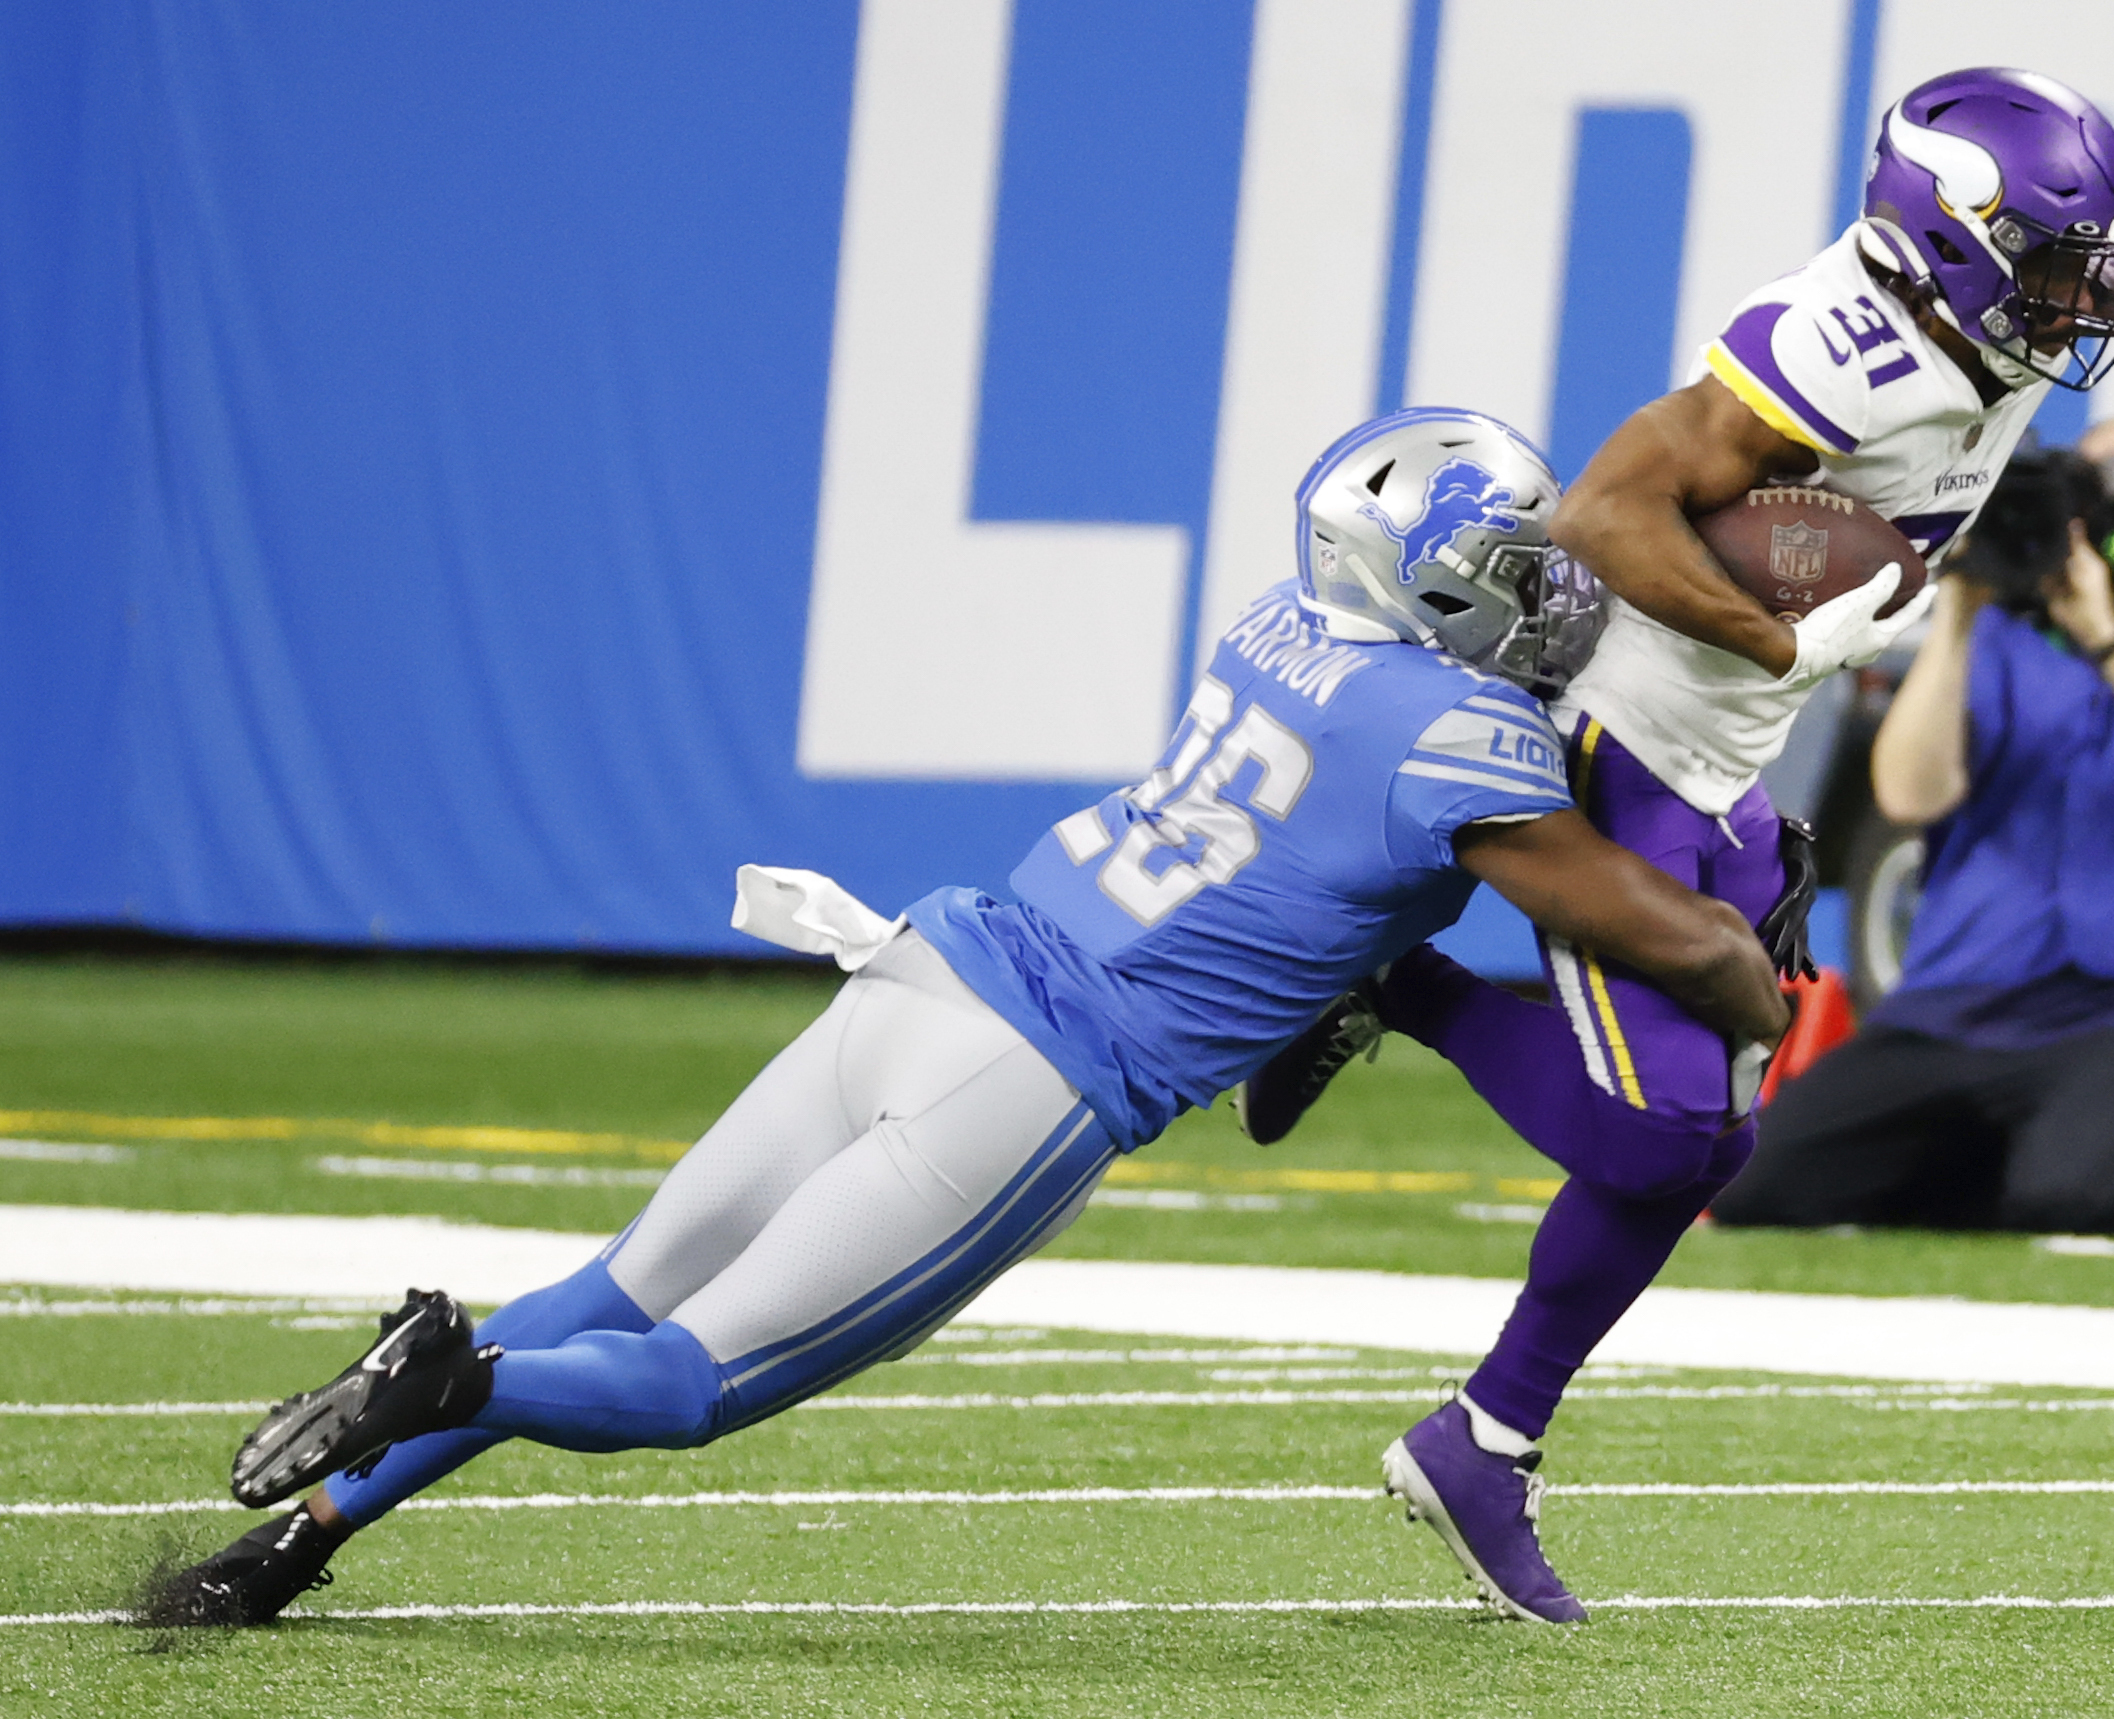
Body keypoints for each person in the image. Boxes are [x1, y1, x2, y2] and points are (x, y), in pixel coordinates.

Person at [144, 408, 1797, 1629]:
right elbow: (1671, 946)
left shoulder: (1278, 627)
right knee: (676, 1380)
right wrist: (1751, 922)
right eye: (1509, 574)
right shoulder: (1460, 745)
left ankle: (286, 1542)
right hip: (1029, 1079)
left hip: (930, 966)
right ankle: (455, 1378)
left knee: (611, 1281)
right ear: (1423, 590)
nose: (1551, 596)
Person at [1244, 67, 2114, 1622]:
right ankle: (1403, 998)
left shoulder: (2001, 310)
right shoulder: (1835, 350)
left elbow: (2096, 283)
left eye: (2088, 270)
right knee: (1656, 1137)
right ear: (1953, 247)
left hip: (1719, 762)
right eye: (2056, 271)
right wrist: (1777, 648)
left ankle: (1481, 1439)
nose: (2080, 303)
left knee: (1717, 1136)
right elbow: (1600, 516)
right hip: (1621, 738)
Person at [1709, 418, 2114, 1235]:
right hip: (1955, 997)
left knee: (2069, 1200)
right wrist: (1957, 604)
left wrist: (2102, 636)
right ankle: (2010, 1155)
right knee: (1754, 1190)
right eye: (2099, 493)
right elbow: (1907, 794)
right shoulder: (1991, 642)